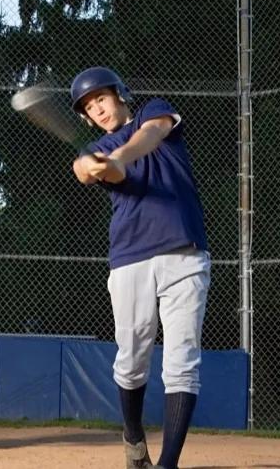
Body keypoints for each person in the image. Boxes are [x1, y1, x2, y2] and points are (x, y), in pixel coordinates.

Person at [70, 67, 211, 469]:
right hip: (131, 258)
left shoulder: (155, 111)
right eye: (87, 106)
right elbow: (99, 171)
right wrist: (90, 166)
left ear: (119, 94)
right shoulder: (96, 147)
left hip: (184, 252)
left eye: (100, 98)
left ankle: (167, 464)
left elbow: (148, 138)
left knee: (182, 360)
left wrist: (114, 157)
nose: (96, 109)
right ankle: (133, 438)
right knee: (131, 360)